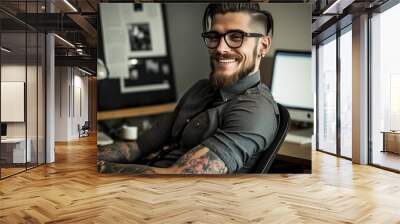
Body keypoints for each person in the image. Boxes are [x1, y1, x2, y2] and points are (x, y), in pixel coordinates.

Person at [97, 3, 279, 174]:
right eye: (214, 37)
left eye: (236, 37)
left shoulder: (255, 110)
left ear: (263, 45)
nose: (221, 48)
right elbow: (137, 147)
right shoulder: (201, 89)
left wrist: (100, 168)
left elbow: (177, 178)